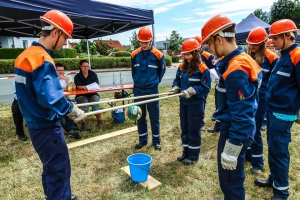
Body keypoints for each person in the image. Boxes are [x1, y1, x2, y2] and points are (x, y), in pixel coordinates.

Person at [14, 10, 85, 200]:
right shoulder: (43, 59)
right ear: (55, 32)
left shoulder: (24, 56)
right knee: (59, 168)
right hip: (46, 126)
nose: (65, 43)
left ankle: (55, 196)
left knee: (50, 166)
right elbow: (50, 97)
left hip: (34, 124)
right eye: (65, 38)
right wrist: (71, 109)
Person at [201, 14, 262, 200]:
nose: (210, 50)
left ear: (219, 39)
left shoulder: (236, 69)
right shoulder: (240, 60)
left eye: (210, 45)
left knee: (231, 180)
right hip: (237, 128)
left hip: (235, 131)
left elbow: (242, 114)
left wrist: (233, 146)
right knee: (230, 178)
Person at [254, 19, 300, 200]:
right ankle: (274, 180)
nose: (271, 42)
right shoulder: (284, 55)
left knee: (279, 151)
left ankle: (281, 192)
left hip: (283, 114)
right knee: (273, 149)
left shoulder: (296, 55)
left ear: (288, 36)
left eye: (275, 38)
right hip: (273, 111)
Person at [169, 38, 211, 165]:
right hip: (184, 103)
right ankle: (185, 152)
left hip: (195, 104)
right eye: (185, 54)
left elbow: (206, 87)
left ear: (196, 53)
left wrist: (193, 90)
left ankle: (193, 155)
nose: (187, 57)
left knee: (194, 129)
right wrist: (176, 87)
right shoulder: (182, 67)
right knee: (185, 128)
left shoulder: (203, 68)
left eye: (189, 54)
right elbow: (177, 80)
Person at [245, 27, 279, 175]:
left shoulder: (272, 58)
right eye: (250, 44)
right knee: (246, 127)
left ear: (264, 42)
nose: (252, 47)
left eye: (256, 44)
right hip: (248, 97)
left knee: (256, 129)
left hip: (262, 98)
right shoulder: (247, 56)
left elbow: (275, 82)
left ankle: (257, 161)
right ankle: (248, 154)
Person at [131, 26, 166, 151]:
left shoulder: (158, 55)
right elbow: (133, 72)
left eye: (146, 42)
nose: (144, 44)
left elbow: (162, 71)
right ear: (138, 41)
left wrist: (154, 82)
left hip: (152, 91)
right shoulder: (134, 54)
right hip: (138, 91)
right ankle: (142, 140)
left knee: (154, 117)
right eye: (141, 42)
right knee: (139, 116)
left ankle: (156, 141)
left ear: (151, 41)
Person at [195, 35, 216, 132]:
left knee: (202, 103)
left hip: (203, 84)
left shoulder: (208, 56)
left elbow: (212, 72)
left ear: (201, 46)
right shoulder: (191, 54)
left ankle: (200, 123)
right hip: (193, 83)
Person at [74, 60, 103, 130]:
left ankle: (99, 121)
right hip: (81, 95)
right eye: (84, 66)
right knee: (84, 103)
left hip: (93, 94)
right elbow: (78, 86)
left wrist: (84, 87)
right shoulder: (77, 76)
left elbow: (96, 83)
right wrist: (87, 87)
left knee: (95, 102)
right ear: (80, 67)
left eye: (87, 66)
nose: (86, 68)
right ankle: (84, 124)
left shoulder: (93, 74)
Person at [56, 63, 81, 139]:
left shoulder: (67, 76)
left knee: (67, 112)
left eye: (62, 70)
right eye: (59, 70)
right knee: (63, 114)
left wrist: (65, 79)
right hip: (56, 99)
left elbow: (73, 88)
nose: (61, 72)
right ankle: (73, 130)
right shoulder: (52, 77)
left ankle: (73, 130)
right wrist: (64, 88)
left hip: (65, 98)